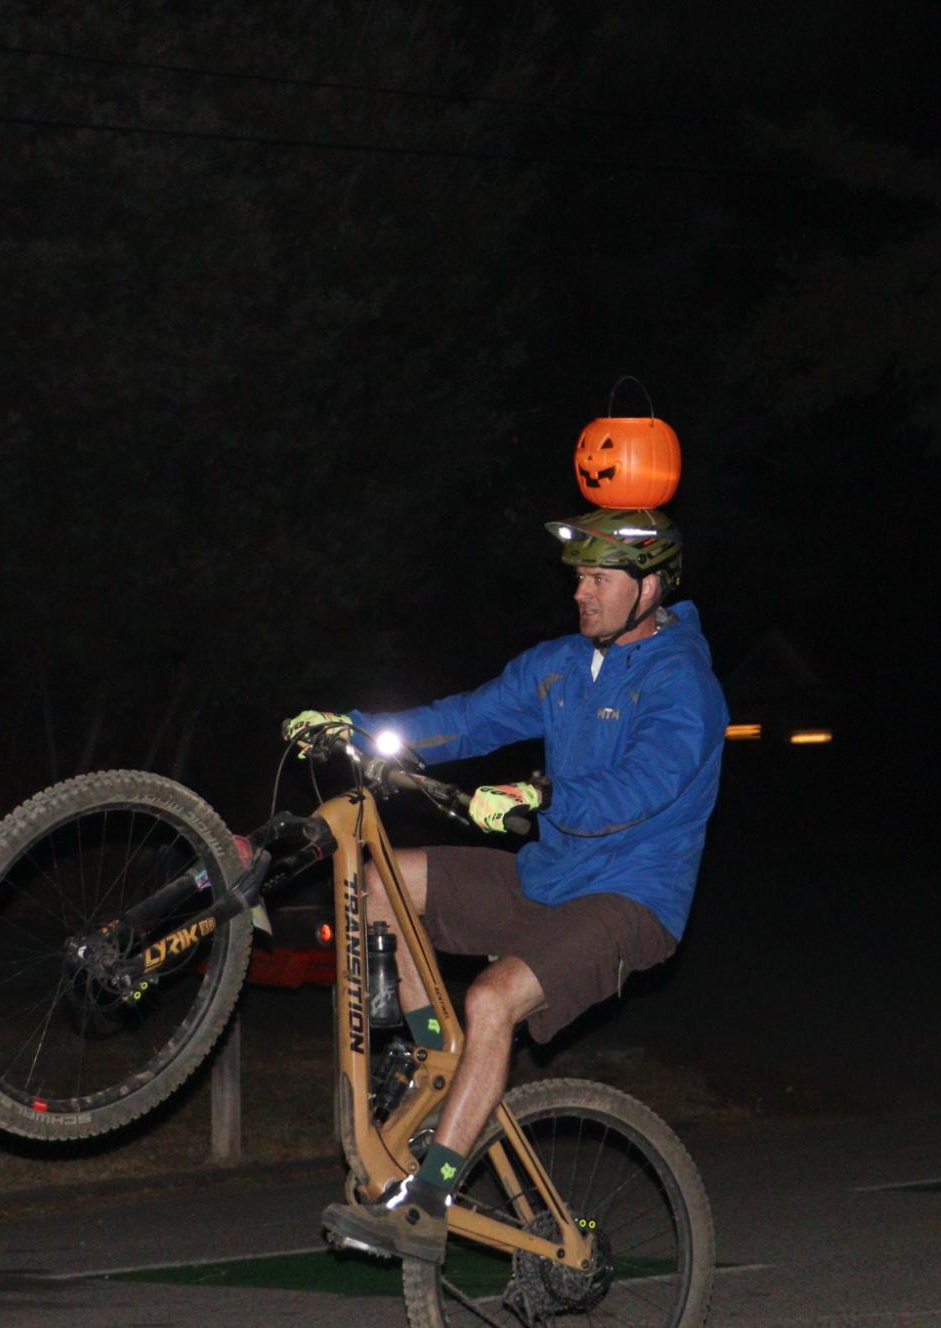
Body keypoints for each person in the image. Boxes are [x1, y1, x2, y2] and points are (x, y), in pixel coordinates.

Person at [283, 504, 727, 1265]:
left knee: (492, 997)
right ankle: (436, 1062)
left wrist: (541, 796)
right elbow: (464, 720)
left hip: (630, 897)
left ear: (648, 587)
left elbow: (641, 784)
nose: (579, 593)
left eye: (596, 578)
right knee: (375, 882)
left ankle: (429, 1199)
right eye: (578, 579)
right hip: (546, 875)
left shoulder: (681, 681)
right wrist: (356, 727)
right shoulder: (560, 663)